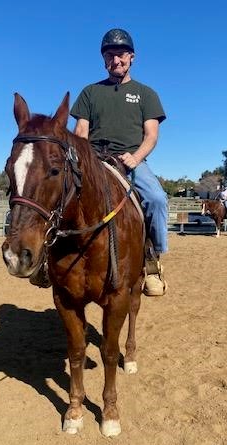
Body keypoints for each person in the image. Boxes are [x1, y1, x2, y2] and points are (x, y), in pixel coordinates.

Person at [70, 28, 168, 296]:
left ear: (132, 57)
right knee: (60, 192)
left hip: (131, 160)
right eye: (110, 55)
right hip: (94, 159)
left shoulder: (146, 94)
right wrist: (84, 160)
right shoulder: (90, 92)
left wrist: (135, 158)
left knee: (157, 199)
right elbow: (81, 132)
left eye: (121, 54)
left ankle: (152, 262)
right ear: (103, 59)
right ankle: (46, 259)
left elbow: (151, 136)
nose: (116, 60)